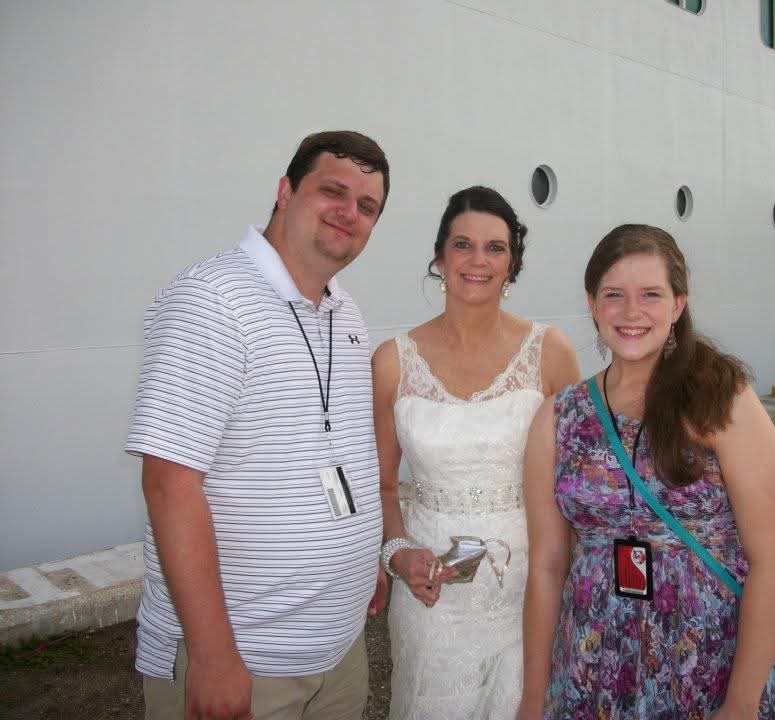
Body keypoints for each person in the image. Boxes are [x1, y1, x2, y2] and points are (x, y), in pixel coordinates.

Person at [126, 130, 391, 720]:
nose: (350, 213)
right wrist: (213, 656)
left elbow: (332, 449)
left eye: (368, 206)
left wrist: (358, 555)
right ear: (285, 190)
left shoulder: (344, 311)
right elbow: (169, 485)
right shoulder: (210, 301)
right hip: (245, 662)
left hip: (338, 653)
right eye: (333, 191)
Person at [518, 225, 775, 720]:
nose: (631, 312)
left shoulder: (721, 401)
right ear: (592, 302)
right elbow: (546, 566)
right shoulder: (560, 417)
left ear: (678, 305)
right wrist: (534, 699)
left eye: (651, 294)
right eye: (614, 295)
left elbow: (773, 560)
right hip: (592, 660)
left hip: (704, 661)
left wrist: (742, 704)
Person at [372, 186, 581, 720]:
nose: (478, 261)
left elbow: (577, 483)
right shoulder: (393, 362)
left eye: (496, 248)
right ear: (439, 257)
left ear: (512, 264)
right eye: (463, 245)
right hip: (432, 596)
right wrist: (396, 554)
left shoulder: (550, 354)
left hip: (529, 588)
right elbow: (384, 486)